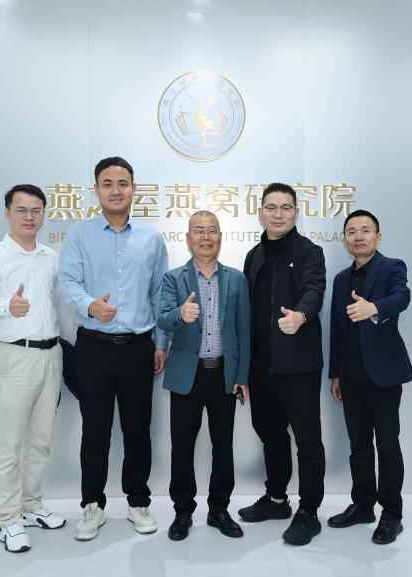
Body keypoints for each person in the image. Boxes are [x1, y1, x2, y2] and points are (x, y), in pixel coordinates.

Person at [59, 156, 168, 540]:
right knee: (95, 432)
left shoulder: (151, 238)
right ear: (97, 190)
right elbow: (68, 281)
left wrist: (160, 343)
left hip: (138, 347)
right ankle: (92, 505)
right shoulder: (79, 235)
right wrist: (91, 305)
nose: (116, 190)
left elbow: (160, 294)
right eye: (107, 184)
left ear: (134, 188)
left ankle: (138, 502)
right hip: (93, 347)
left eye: (123, 183)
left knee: (138, 430)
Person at [0, 184, 66, 553]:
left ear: (44, 214)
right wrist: (7, 307)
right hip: (14, 356)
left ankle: (31, 504)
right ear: (7, 213)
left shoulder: (51, 256)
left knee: (40, 440)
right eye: (22, 210)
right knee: (9, 443)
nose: (30, 217)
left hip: (50, 354)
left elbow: (59, 305)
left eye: (36, 210)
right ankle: (8, 519)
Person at [239, 182, 327, 546]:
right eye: (272, 207)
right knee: (270, 434)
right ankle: (277, 499)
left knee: (307, 440)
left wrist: (301, 315)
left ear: (296, 212)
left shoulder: (309, 252)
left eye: (286, 207)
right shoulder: (253, 255)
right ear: (260, 213)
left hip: (298, 365)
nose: (279, 214)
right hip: (261, 367)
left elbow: (314, 289)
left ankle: (309, 511)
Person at [157, 211, 250, 541]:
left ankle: (219, 510)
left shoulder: (236, 279)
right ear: (188, 238)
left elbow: (244, 330)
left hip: (223, 373)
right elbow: (162, 319)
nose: (206, 237)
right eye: (199, 231)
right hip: (188, 375)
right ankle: (183, 511)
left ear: (221, 237)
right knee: (182, 446)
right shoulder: (173, 278)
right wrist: (181, 314)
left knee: (223, 446)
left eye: (212, 231)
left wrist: (241, 374)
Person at [327, 209, 412, 545]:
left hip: (384, 374)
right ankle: (363, 506)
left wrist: (373, 308)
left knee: (388, 445)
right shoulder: (340, 279)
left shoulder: (392, 267)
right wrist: (336, 374)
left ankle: (392, 514)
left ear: (378, 237)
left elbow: (402, 297)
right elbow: (337, 329)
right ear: (344, 240)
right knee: (359, 445)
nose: (358, 236)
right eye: (352, 231)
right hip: (351, 376)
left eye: (365, 230)